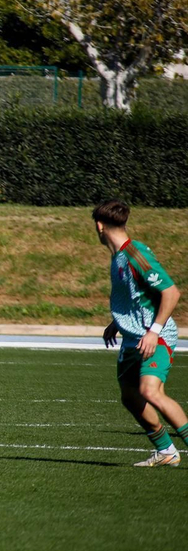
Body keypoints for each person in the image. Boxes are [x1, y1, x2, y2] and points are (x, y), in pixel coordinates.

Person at [95, 199, 188, 467]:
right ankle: (166, 451)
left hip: (154, 335)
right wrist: (118, 322)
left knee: (150, 391)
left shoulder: (136, 253)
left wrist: (154, 331)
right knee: (130, 396)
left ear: (100, 226)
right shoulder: (119, 256)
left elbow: (171, 292)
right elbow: (136, 296)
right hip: (132, 337)